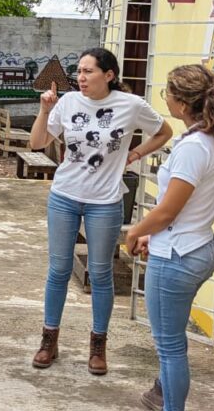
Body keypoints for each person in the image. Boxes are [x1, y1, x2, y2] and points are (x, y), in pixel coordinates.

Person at [29, 47, 172, 374]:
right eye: (78, 71)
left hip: (105, 201)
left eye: (88, 71)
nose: (81, 77)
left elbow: (164, 132)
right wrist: (43, 109)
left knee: (101, 272)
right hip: (64, 196)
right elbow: (37, 143)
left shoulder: (130, 105)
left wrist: (135, 153)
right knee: (59, 270)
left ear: (109, 75)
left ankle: (98, 345)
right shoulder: (66, 103)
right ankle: (49, 340)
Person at [123, 64, 214, 411]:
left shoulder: (192, 150)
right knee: (172, 338)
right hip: (193, 246)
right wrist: (156, 234)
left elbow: (168, 211)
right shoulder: (209, 138)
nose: (163, 98)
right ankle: (163, 391)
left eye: (166, 92)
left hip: (179, 256)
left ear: (181, 103)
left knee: (169, 344)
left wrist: (137, 231)